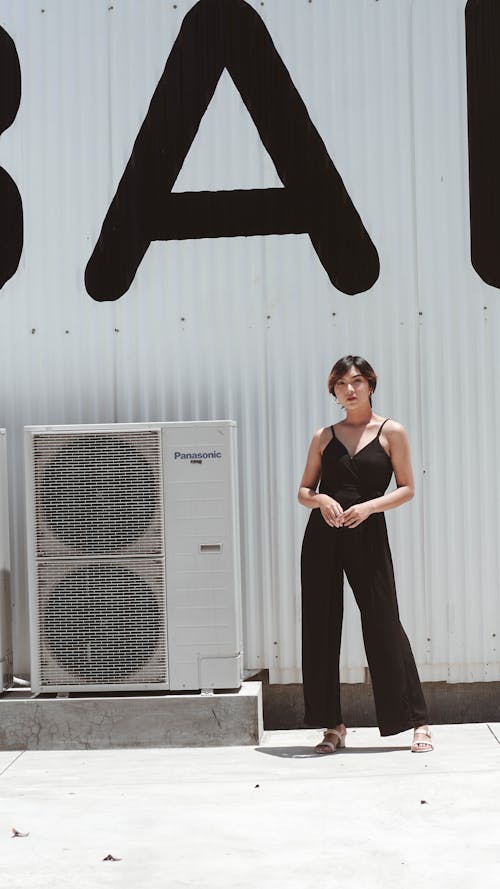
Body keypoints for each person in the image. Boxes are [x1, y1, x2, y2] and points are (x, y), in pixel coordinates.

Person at [298, 355, 432, 754]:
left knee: (384, 622)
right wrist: (321, 498)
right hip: (323, 537)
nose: (349, 389)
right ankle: (332, 726)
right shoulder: (324, 436)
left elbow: (407, 487)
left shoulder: (392, 432)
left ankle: (417, 721)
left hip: (368, 533)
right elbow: (303, 491)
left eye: (356, 381)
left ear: (371, 384)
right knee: (320, 626)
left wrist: (370, 507)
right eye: (341, 384)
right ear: (333, 391)